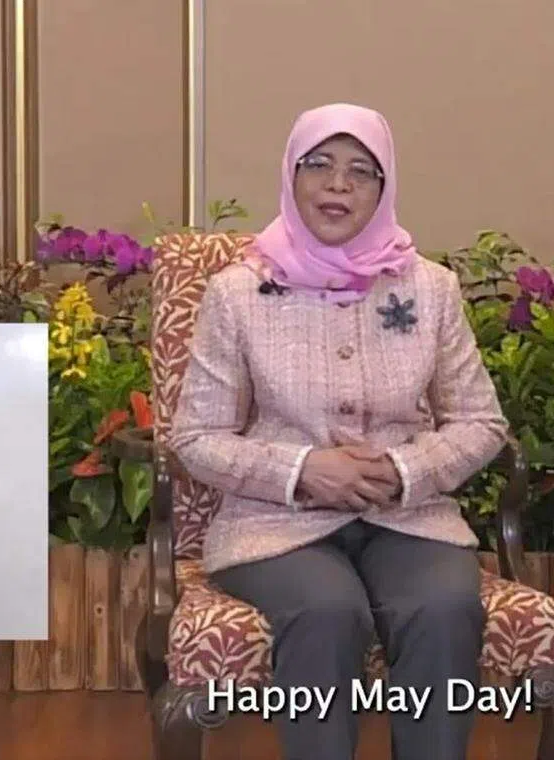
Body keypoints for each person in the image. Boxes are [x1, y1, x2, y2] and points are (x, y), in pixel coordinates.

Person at [169, 103, 508, 760]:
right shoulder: (238, 293)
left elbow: (481, 422)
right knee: (326, 611)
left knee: (442, 607)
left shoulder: (431, 289)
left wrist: (404, 470)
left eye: (361, 171)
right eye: (318, 165)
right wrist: (302, 470)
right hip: (274, 525)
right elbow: (195, 438)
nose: (337, 185)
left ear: (385, 188)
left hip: (408, 518)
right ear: (291, 176)